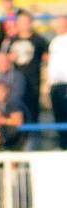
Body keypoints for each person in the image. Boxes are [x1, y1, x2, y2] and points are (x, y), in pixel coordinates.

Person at [48, 16, 67, 150]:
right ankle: (63, 145)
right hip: (55, 85)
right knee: (59, 115)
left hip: (65, 83)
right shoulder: (54, 41)